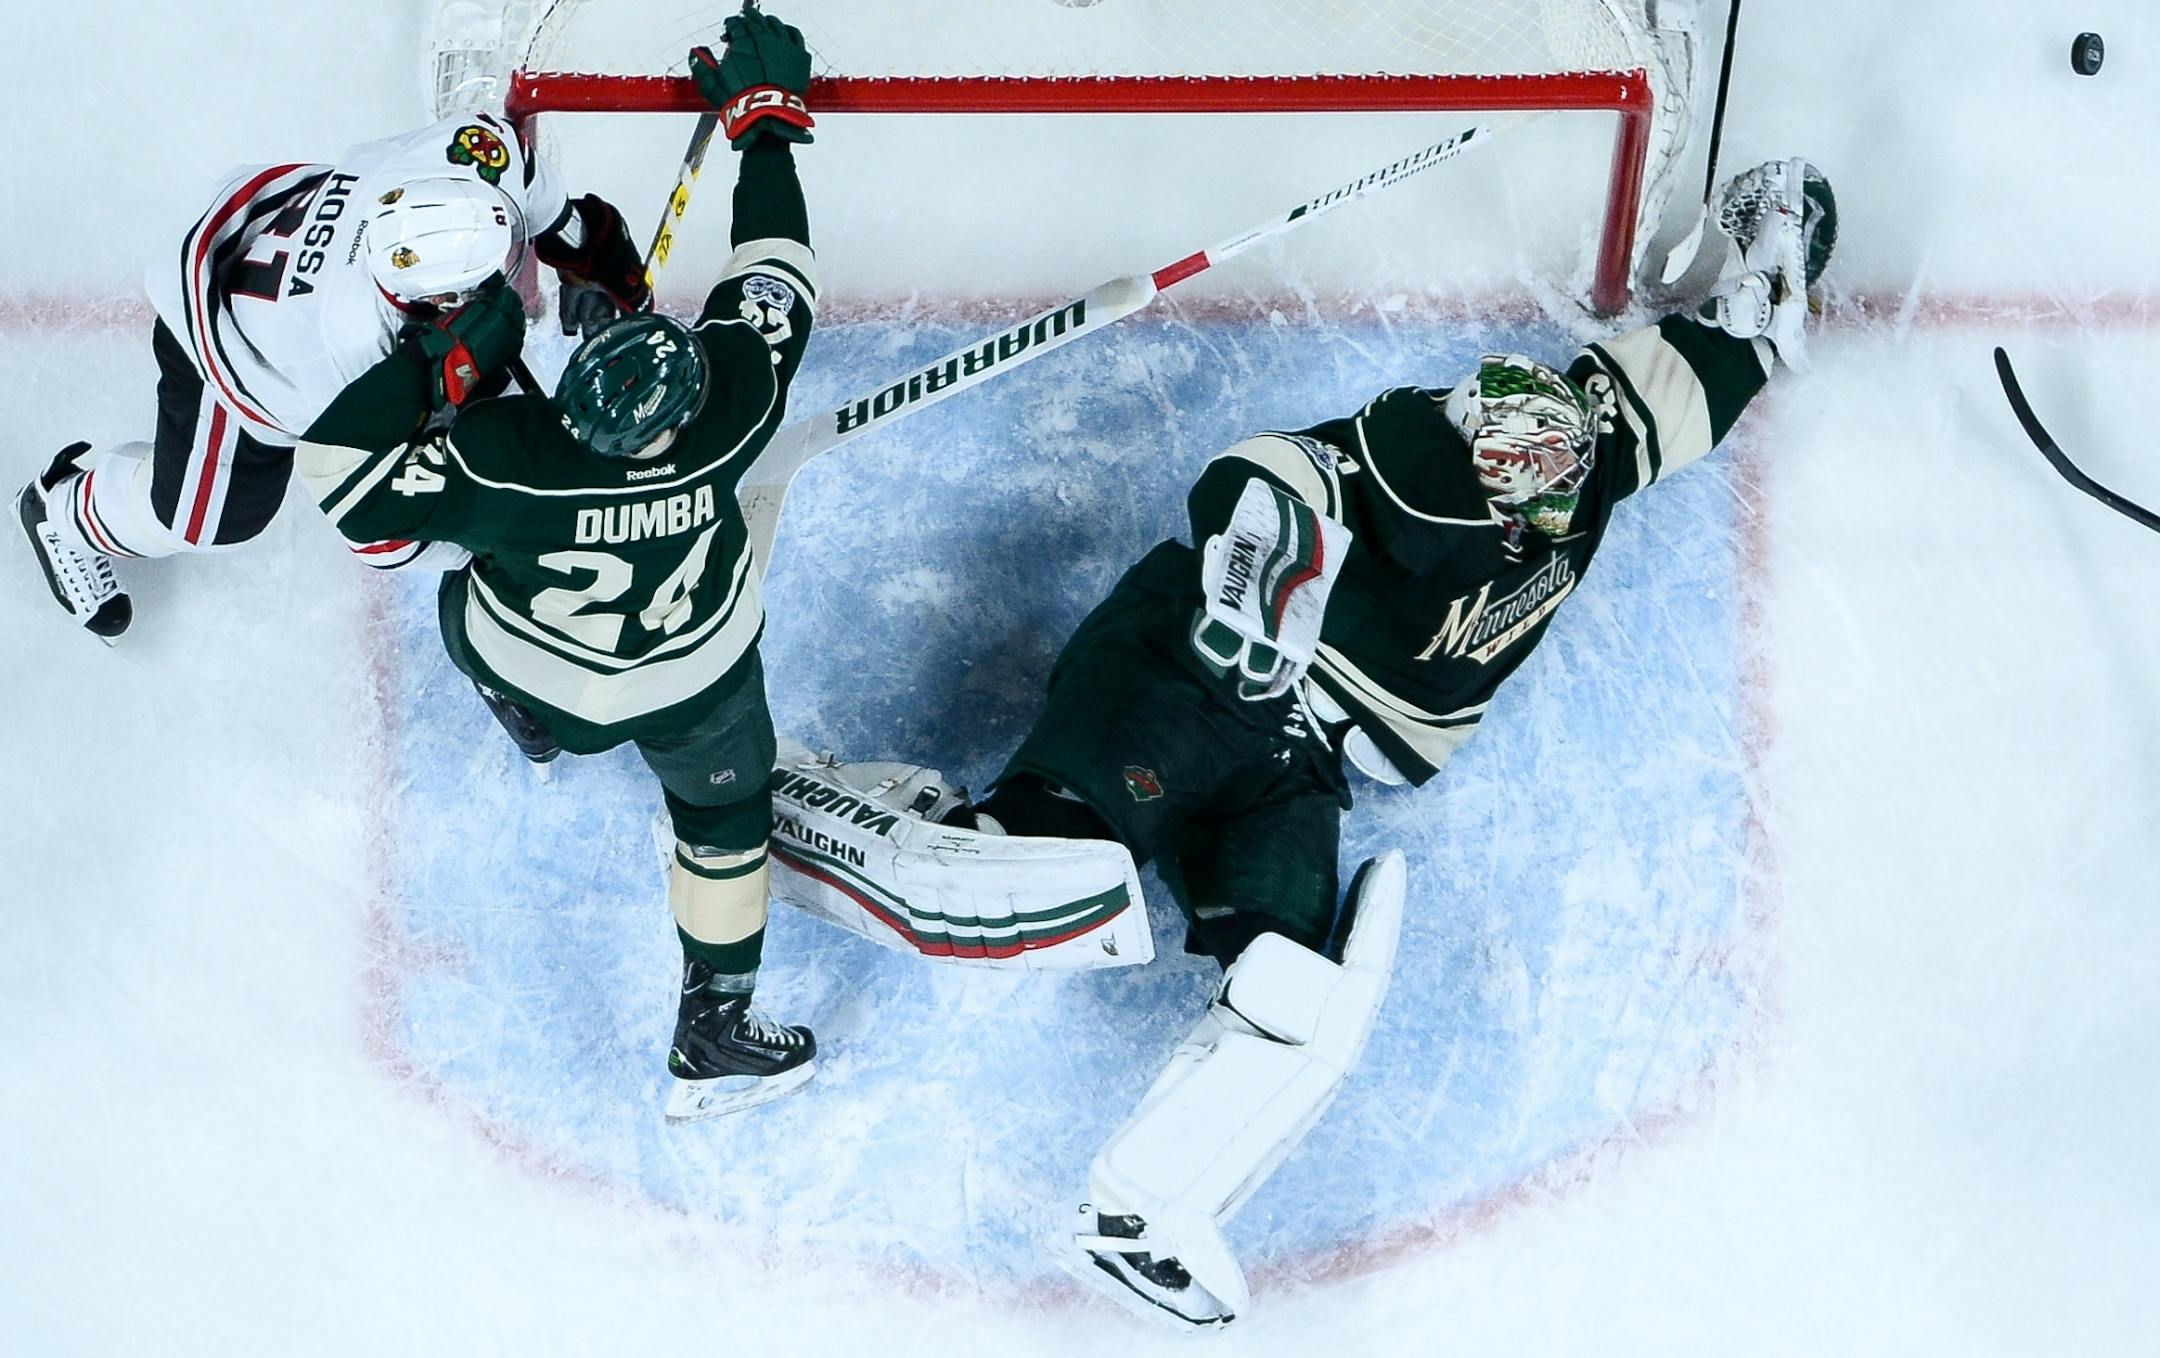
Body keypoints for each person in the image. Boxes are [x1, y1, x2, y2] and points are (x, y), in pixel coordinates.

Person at [780, 157, 1838, 1325]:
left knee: (1303, 991)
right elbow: (1270, 480)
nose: (1549, 503)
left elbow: (1655, 401)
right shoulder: (1412, 463)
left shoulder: (1578, 462)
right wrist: (1257, 595)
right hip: (1198, 675)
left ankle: (1148, 1208)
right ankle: (886, 827)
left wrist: (1760, 309)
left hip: (1300, 761)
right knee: (1052, 863)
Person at [291, 9, 822, 1122]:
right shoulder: (736, 402)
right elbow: (774, 276)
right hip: (695, 678)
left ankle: (528, 726)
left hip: (540, 672)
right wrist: (765, 130)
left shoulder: (509, 456)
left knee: (457, 599)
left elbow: (348, 484)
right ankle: (713, 1026)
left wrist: (452, 351)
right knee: (724, 826)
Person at [16, 105, 652, 644]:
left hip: (286, 239)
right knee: (209, 516)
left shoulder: (468, 159)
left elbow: (531, 190)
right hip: (231, 346)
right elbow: (372, 518)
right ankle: (63, 510)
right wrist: (491, 546)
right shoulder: (342, 355)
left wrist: (583, 242)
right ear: (427, 305)